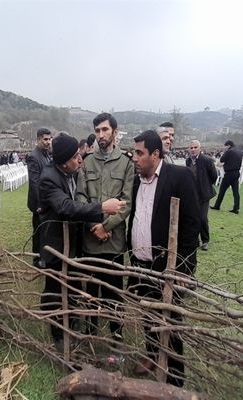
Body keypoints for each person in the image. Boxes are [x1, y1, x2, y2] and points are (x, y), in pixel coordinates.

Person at [127, 130, 200, 387]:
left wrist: (183, 267)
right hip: (140, 263)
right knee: (148, 315)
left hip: (167, 267)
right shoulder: (137, 180)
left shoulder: (179, 177)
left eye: (139, 153)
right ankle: (152, 356)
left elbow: (192, 224)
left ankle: (175, 377)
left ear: (155, 154)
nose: (134, 157)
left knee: (170, 321)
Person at [38, 134, 125, 349]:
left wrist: (101, 225)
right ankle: (58, 335)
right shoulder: (48, 178)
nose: (80, 159)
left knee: (75, 285)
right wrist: (102, 208)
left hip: (75, 242)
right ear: (63, 160)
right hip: (56, 245)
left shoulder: (72, 173)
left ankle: (74, 322)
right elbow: (66, 207)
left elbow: (81, 199)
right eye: (76, 156)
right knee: (55, 289)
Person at [76, 113, 134, 340]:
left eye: (105, 130)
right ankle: (90, 334)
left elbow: (127, 203)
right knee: (90, 293)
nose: (101, 135)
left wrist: (106, 226)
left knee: (113, 294)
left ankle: (115, 336)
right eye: (97, 130)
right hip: (90, 242)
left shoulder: (126, 163)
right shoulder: (86, 162)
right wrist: (94, 225)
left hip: (113, 243)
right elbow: (80, 197)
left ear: (115, 132)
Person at [26, 127, 53, 267]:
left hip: (47, 201)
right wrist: (40, 205)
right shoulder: (34, 156)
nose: (48, 142)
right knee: (38, 233)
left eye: (49, 139)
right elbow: (35, 183)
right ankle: (37, 259)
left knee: (45, 232)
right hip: (38, 203)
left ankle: (44, 256)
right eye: (45, 139)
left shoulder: (47, 154)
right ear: (38, 140)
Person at [185, 140, 218, 250]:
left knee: (203, 218)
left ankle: (205, 240)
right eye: (191, 147)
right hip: (192, 194)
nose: (193, 149)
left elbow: (214, 175)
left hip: (204, 194)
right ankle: (195, 240)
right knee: (193, 218)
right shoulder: (188, 161)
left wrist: (206, 185)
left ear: (200, 148)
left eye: (195, 147)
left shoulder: (206, 160)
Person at [210, 140, 243, 213]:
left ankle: (217, 206)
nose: (224, 148)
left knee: (222, 190)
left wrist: (224, 154)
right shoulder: (239, 152)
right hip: (237, 172)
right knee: (235, 191)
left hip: (229, 173)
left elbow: (222, 160)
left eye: (225, 146)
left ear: (228, 145)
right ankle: (236, 208)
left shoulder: (229, 151)